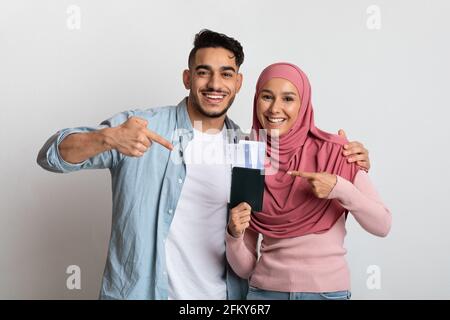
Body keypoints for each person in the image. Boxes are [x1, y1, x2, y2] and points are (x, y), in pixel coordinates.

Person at [37, 30, 370, 300]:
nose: (214, 84)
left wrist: (346, 155)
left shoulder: (249, 150)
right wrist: (105, 139)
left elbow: (258, 226)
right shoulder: (141, 128)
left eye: (226, 74)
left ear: (238, 84)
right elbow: (51, 156)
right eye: (203, 72)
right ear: (187, 77)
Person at [226, 62, 391, 300]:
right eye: (267, 96)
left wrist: (339, 187)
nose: (275, 108)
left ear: (303, 105)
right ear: (256, 100)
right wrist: (233, 234)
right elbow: (245, 267)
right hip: (264, 293)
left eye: (288, 99)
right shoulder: (249, 157)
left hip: (326, 293)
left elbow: (383, 224)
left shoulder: (337, 152)